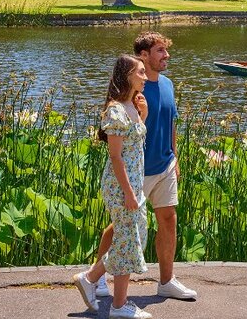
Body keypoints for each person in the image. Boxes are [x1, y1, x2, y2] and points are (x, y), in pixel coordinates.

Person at [75, 32, 197, 313]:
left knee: (167, 218)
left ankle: (166, 281)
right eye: (159, 51)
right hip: (137, 172)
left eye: (166, 51)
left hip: (164, 164)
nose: (166, 56)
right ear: (143, 56)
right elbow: (119, 146)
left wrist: (174, 157)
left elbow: (172, 122)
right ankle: (98, 279)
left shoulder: (167, 85)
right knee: (123, 228)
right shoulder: (132, 95)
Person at [75, 55, 152, 319]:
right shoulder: (116, 110)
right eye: (140, 72)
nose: (144, 76)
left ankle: (90, 277)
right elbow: (116, 156)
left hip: (134, 184)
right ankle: (119, 306)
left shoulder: (132, 105)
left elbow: (136, 143)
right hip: (121, 186)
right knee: (128, 240)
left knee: (135, 235)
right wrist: (129, 193)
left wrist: (143, 114)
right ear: (128, 75)